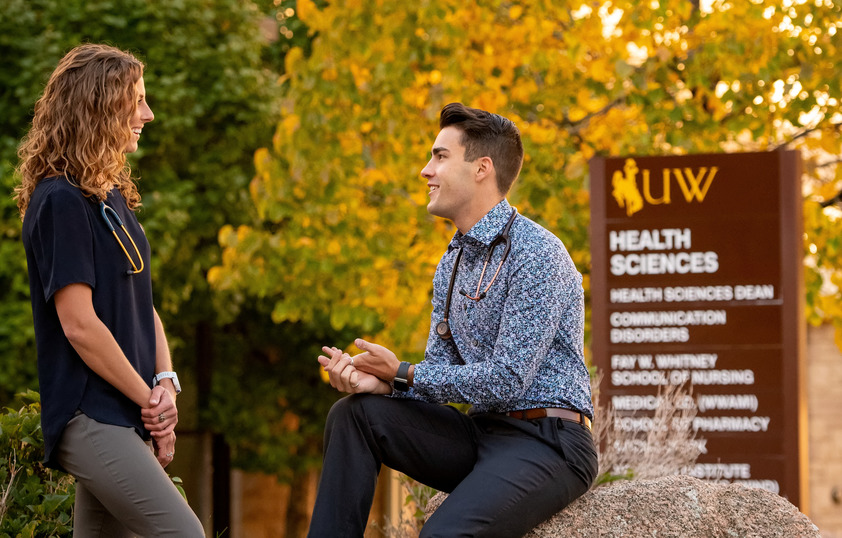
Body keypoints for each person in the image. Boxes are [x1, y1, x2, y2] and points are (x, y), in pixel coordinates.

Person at [310, 102, 598, 537]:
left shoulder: (538, 253)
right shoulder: (453, 260)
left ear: (482, 168)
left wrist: (403, 372)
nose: (426, 170)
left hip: (549, 442)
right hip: (483, 435)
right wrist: (385, 384)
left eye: (440, 156)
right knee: (354, 414)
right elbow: (439, 377)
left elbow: (507, 379)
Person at [15, 44, 204, 536]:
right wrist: (149, 401)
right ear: (99, 105)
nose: (149, 113)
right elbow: (79, 325)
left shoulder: (109, 194)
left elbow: (145, 305)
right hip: (90, 412)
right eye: (136, 100)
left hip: (125, 408)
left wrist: (165, 382)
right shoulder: (59, 200)